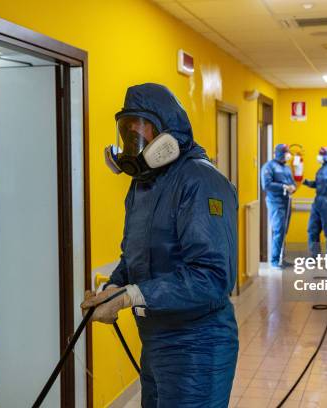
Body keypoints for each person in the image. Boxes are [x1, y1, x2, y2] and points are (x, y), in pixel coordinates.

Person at [81, 83, 238, 408]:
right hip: (155, 339)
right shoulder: (143, 185)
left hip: (197, 344)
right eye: (127, 134)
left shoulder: (200, 181)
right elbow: (134, 256)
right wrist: (113, 287)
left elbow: (213, 277)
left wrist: (133, 295)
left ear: (168, 134)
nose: (132, 143)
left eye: (141, 133)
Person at [261, 144, 296, 269]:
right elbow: (267, 185)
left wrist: (292, 187)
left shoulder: (286, 168)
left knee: (284, 231)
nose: (288, 155)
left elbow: (292, 182)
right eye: (286, 152)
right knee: (278, 230)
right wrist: (283, 187)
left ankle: (283, 259)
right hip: (275, 202)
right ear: (280, 153)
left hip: (287, 202)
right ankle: (274, 261)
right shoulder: (269, 167)